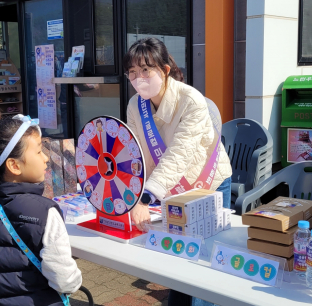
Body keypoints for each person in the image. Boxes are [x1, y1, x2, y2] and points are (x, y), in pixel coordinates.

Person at [124, 37, 233, 306]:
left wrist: (146, 198)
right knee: (180, 260)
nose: (139, 78)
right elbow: (135, 154)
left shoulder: (192, 101)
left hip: (209, 186)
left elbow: (179, 155)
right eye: (133, 72)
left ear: (165, 70)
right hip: (168, 190)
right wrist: (133, 192)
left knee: (206, 265)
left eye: (146, 69)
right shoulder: (135, 105)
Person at [0, 116, 82, 305]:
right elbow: (65, 280)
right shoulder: (45, 212)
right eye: (39, 151)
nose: (46, 158)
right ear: (14, 165)